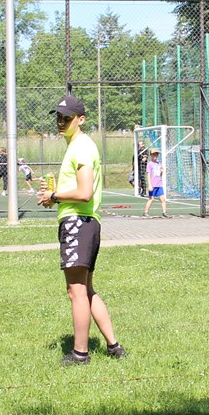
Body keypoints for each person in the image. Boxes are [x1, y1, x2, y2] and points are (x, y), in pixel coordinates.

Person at [37, 94, 125, 365]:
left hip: (78, 223)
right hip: (83, 222)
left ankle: (80, 353)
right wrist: (54, 196)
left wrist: (54, 196)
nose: (61, 122)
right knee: (86, 289)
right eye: (58, 117)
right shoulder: (76, 146)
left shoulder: (82, 147)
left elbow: (85, 192)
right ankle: (114, 346)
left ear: (81, 119)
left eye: (67, 118)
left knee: (76, 291)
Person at [142, 149, 167, 217]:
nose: (155, 156)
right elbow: (148, 175)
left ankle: (164, 212)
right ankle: (145, 212)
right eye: (153, 154)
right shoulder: (150, 164)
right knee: (151, 199)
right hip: (153, 184)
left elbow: (160, 175)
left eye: (156, 154)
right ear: (151, 155)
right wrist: (150, 185)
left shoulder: (159, 164)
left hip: (159, 184)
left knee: (162, 199)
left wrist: (161, 171)